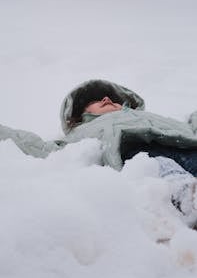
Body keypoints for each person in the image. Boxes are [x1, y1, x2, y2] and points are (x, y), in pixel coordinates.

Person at [0, 79, 197, 225]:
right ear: (78, 116)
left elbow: (191, 124)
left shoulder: (156, 118)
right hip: (140, 155)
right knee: (161, 166)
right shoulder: (81, 134)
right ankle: (188, 196)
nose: (106, 98)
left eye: (112, 98)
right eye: (93, 100)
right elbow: (33, 145)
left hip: (186, 146)